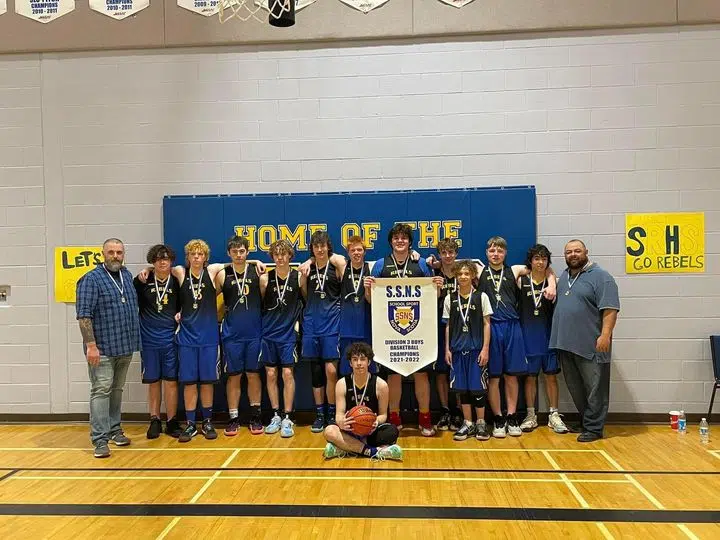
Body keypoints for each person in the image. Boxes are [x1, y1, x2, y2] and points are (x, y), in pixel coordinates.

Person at [365, 223, 444, 437]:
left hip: (419, 332)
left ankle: (425, 419)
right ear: (391, 241)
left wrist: (437, 286)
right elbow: (371, 300)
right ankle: (394, 418)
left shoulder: (420, 265)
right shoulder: (381, 265)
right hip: (390, 333)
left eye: (404, 238)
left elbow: (432, 297)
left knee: (421, 375)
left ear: (410, 242)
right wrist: (368, 288)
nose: (400, 241)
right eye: (396, 238)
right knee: (393, 376)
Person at [478, 236, 556, 439]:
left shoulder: (513, 270)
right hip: (491, 327)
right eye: (492, 251)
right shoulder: (479, 270)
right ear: (487, 253)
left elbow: (543, 267)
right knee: (494, 377)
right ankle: (498, 418)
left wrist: (552, 283)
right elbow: (453, 266)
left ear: (505, 253)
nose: (495, 254)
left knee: (511, 375)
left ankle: (512, 416)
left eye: (500, 251)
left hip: (513, 326)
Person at [76, 238, 141, 458]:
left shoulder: (126, 276)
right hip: (101, 349)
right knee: (101, 391)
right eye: (111, 252)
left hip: (124, 346)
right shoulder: (91, 279)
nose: (116, 256)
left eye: (119, 252)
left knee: (116, 390)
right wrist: (91, 346)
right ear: (103, 254)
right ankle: (100, 440)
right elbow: (84, 316)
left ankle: (115, 430)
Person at [550, 239, 620, 442]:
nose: (573, 255)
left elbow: (610, 309)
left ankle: (595, 428)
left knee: (595, 389)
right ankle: (586, 421)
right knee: (576, 387)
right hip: (566, 344)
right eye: (569, 252)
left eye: (577, 251)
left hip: (592, 344)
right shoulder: (564, 276)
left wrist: (605, 335)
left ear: (586, 252)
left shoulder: (602, 277)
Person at [174, 239, 223, 443]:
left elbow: (233, 264)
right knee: (189, 383)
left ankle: (208, 421)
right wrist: (147, 269)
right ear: (188, 257)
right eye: (192, 254)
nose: (196, 257)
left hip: (209, 338)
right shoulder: (180, 272)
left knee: (207, 382)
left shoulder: (211, 272)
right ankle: (191, 423)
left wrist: (256, 263)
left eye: (200, 254)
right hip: (187, 338)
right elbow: (160, 267)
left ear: (205, 257)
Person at [215, 235, 264, 436]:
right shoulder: (222, 274)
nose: (238, 255)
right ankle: (233, 417)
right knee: (234, 376)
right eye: (234, 251)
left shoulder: (257, 272)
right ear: (229, 253)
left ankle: (255, 415)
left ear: (247, 252)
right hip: (232, 334)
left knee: (253, 374)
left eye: (242, 251)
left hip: (254, 332)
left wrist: (256, 261)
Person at [517, 245, 568, 434]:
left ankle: (554, 414)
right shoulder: (520, 281)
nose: (540, 262)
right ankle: (531, 415)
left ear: (548, 261)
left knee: (551, 377)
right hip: (528, 338)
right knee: (530, 378)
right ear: (530, 261)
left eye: (544, 259)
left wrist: (552, 281)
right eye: (536, 258)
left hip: (549, 338)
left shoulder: (555, 282)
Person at [133, 244, 182, 440]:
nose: (162, 262)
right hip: (149, 340)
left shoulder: (178, 280)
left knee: (171, 382)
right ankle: (154, 420)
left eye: (166, 259)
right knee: (153, 382)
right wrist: (146, 271)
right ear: (152, 261)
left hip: (170, 339)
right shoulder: (142, 280)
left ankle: (171, 421)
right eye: (158, 259)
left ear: (171, 261)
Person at [299, 231, 346, 433]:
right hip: (311, 324)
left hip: (332, 324)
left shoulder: (336, 267)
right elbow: (303, 293)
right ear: (312, 248)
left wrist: (326, 257)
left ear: (328, 247)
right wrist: (308, 264)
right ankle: (319, 413)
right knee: (316, 372)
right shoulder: (307, 269)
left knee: (331, 371)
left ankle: (332, 412)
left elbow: (344, 262)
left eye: (323, 246)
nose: (319, 249)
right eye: (316, 246)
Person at [323, 342, 402, 461]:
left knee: (392, 431)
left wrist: (376, 421)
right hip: (350, 430)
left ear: (369, 362)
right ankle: (372, 451)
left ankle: (344, 448)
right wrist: (342, 422)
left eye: (363, 359)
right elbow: (339, 414)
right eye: (355, 359)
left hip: (370, 431)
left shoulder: (381, 385)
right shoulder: (342, 384)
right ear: (350, 363)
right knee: (329, 431)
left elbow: (383, 415)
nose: (359, 363)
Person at [443, 261, 493, 441]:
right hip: (457, 351)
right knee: (462, 389)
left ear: (472, 275)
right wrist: (447, 348)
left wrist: (485, 348)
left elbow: (487, 324)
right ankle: (468, 423)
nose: (463, 277)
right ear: (455, 276)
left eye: (466, 273)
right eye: (460, 274)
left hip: (476, 350)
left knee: (478, 388)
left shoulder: (482, 297)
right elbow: (448, 325)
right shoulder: (450, 298)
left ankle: (480, 422)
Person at [260, 239, 303, 438]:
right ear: (272, 257)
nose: (280, 257)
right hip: (268, 333)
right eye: (276, 254)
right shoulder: (265, 278)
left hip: (287, 335)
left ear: (289, 256)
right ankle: (275, 415)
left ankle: (288, 417)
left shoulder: (299, 277)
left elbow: (306, 298)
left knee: (287, 374)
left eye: (283, 253)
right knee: (270, 375)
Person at [337, 236, 375, 377]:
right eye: (353, 250)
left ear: (365, 251)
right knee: (347, 369)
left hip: (366, 327)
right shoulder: (342, 267)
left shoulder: (371, 267)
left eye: (359, 249)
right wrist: (310, 260)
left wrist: (413, 253)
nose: (356, 253)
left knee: (367, 367)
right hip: (347, 329)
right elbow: (328, 255)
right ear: (348, 253)